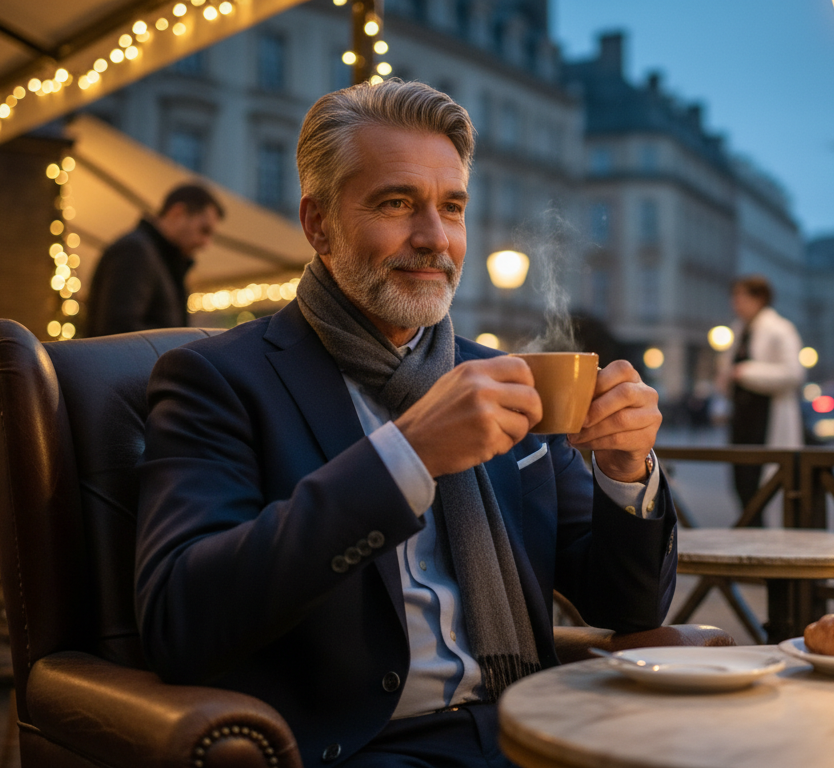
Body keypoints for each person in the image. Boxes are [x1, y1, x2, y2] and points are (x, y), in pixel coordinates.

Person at [135, 80, 676, 768]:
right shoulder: (218, 379)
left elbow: (628, 606)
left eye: (451, 207)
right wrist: (407, 456)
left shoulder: (502, 376)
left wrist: (627, 471)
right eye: (396, 204)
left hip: (533, 725)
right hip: (366, 745)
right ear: (318, 224)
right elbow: (181, 619)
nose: (433, 238)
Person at [716, 276, 805, 523]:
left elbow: (793, 372)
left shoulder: (780, 329)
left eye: (742, 297)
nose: (736, 303)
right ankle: (752, 531)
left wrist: (745, 372)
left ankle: (763, 538)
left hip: (766, 414)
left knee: (763, 483)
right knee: (741, 481)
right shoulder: (739, 329)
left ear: (760, 298)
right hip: (742, 416)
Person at [85, 184, 224, 336]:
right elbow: (118, 331)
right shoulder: (135, 251)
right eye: (204, 230)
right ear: (177, 212)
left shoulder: (156, 256)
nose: (206, 243)